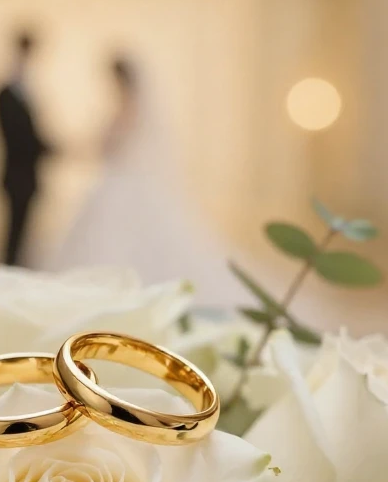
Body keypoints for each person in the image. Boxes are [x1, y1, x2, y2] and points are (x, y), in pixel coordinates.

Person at [44, 55, 242, 303]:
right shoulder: (128, 107)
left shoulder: (129, 109)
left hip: (123, 181)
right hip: (119, 179)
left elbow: (109, 144)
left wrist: (69, 148)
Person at [0, 30, 52, 266]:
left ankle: (15, 270)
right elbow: (20, 138)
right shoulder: (4, 93)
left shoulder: (27, 91)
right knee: (13, 234)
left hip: (28, 175)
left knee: (23, 234)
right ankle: (7, 274)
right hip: (16, 175)